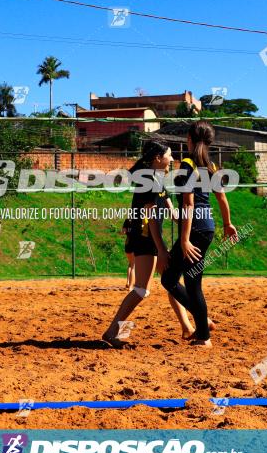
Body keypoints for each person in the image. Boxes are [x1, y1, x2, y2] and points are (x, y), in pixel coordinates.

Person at [102, 141, 195, 346]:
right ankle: (111, 332)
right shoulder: (150, 179)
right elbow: (150, 217)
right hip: (145, 239)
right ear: (157, 158)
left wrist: (195, 219)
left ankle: (188, 328)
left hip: (150, 238)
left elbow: (174, 215)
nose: (172, 159)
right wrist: (161, 249)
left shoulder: (157, 180)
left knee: (170, 282)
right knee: (141, 290)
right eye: (169, 155)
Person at [160, 121, 238, 347]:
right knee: (192, 283)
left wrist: (184, 239)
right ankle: (203, 330)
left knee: (170, 279)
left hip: (194, 229)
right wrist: (228, 224)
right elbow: (222, 198)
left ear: (189, 139)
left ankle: (203, 331)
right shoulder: (210, 165)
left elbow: (188, 204)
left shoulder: (187, 165)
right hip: (208, 227)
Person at [120, 219, 135, 290]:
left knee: (130, 264)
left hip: (127, 244)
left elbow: (123, 232)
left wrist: (119, 232)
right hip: (135, 244)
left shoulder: (127, 221)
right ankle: (131, 286)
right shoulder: (139, 219)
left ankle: (128, 282)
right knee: (133, 266)